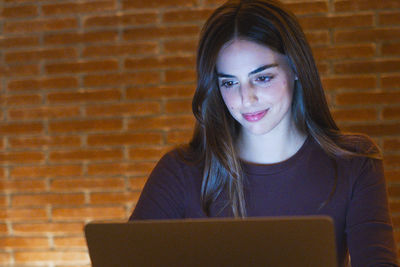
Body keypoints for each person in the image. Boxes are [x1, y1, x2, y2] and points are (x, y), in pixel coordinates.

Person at [129, 0, 398, 266]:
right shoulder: (180, 171)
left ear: (295, 68)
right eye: (230, 82)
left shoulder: (354, 161)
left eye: (262, 77)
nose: (247, 98)